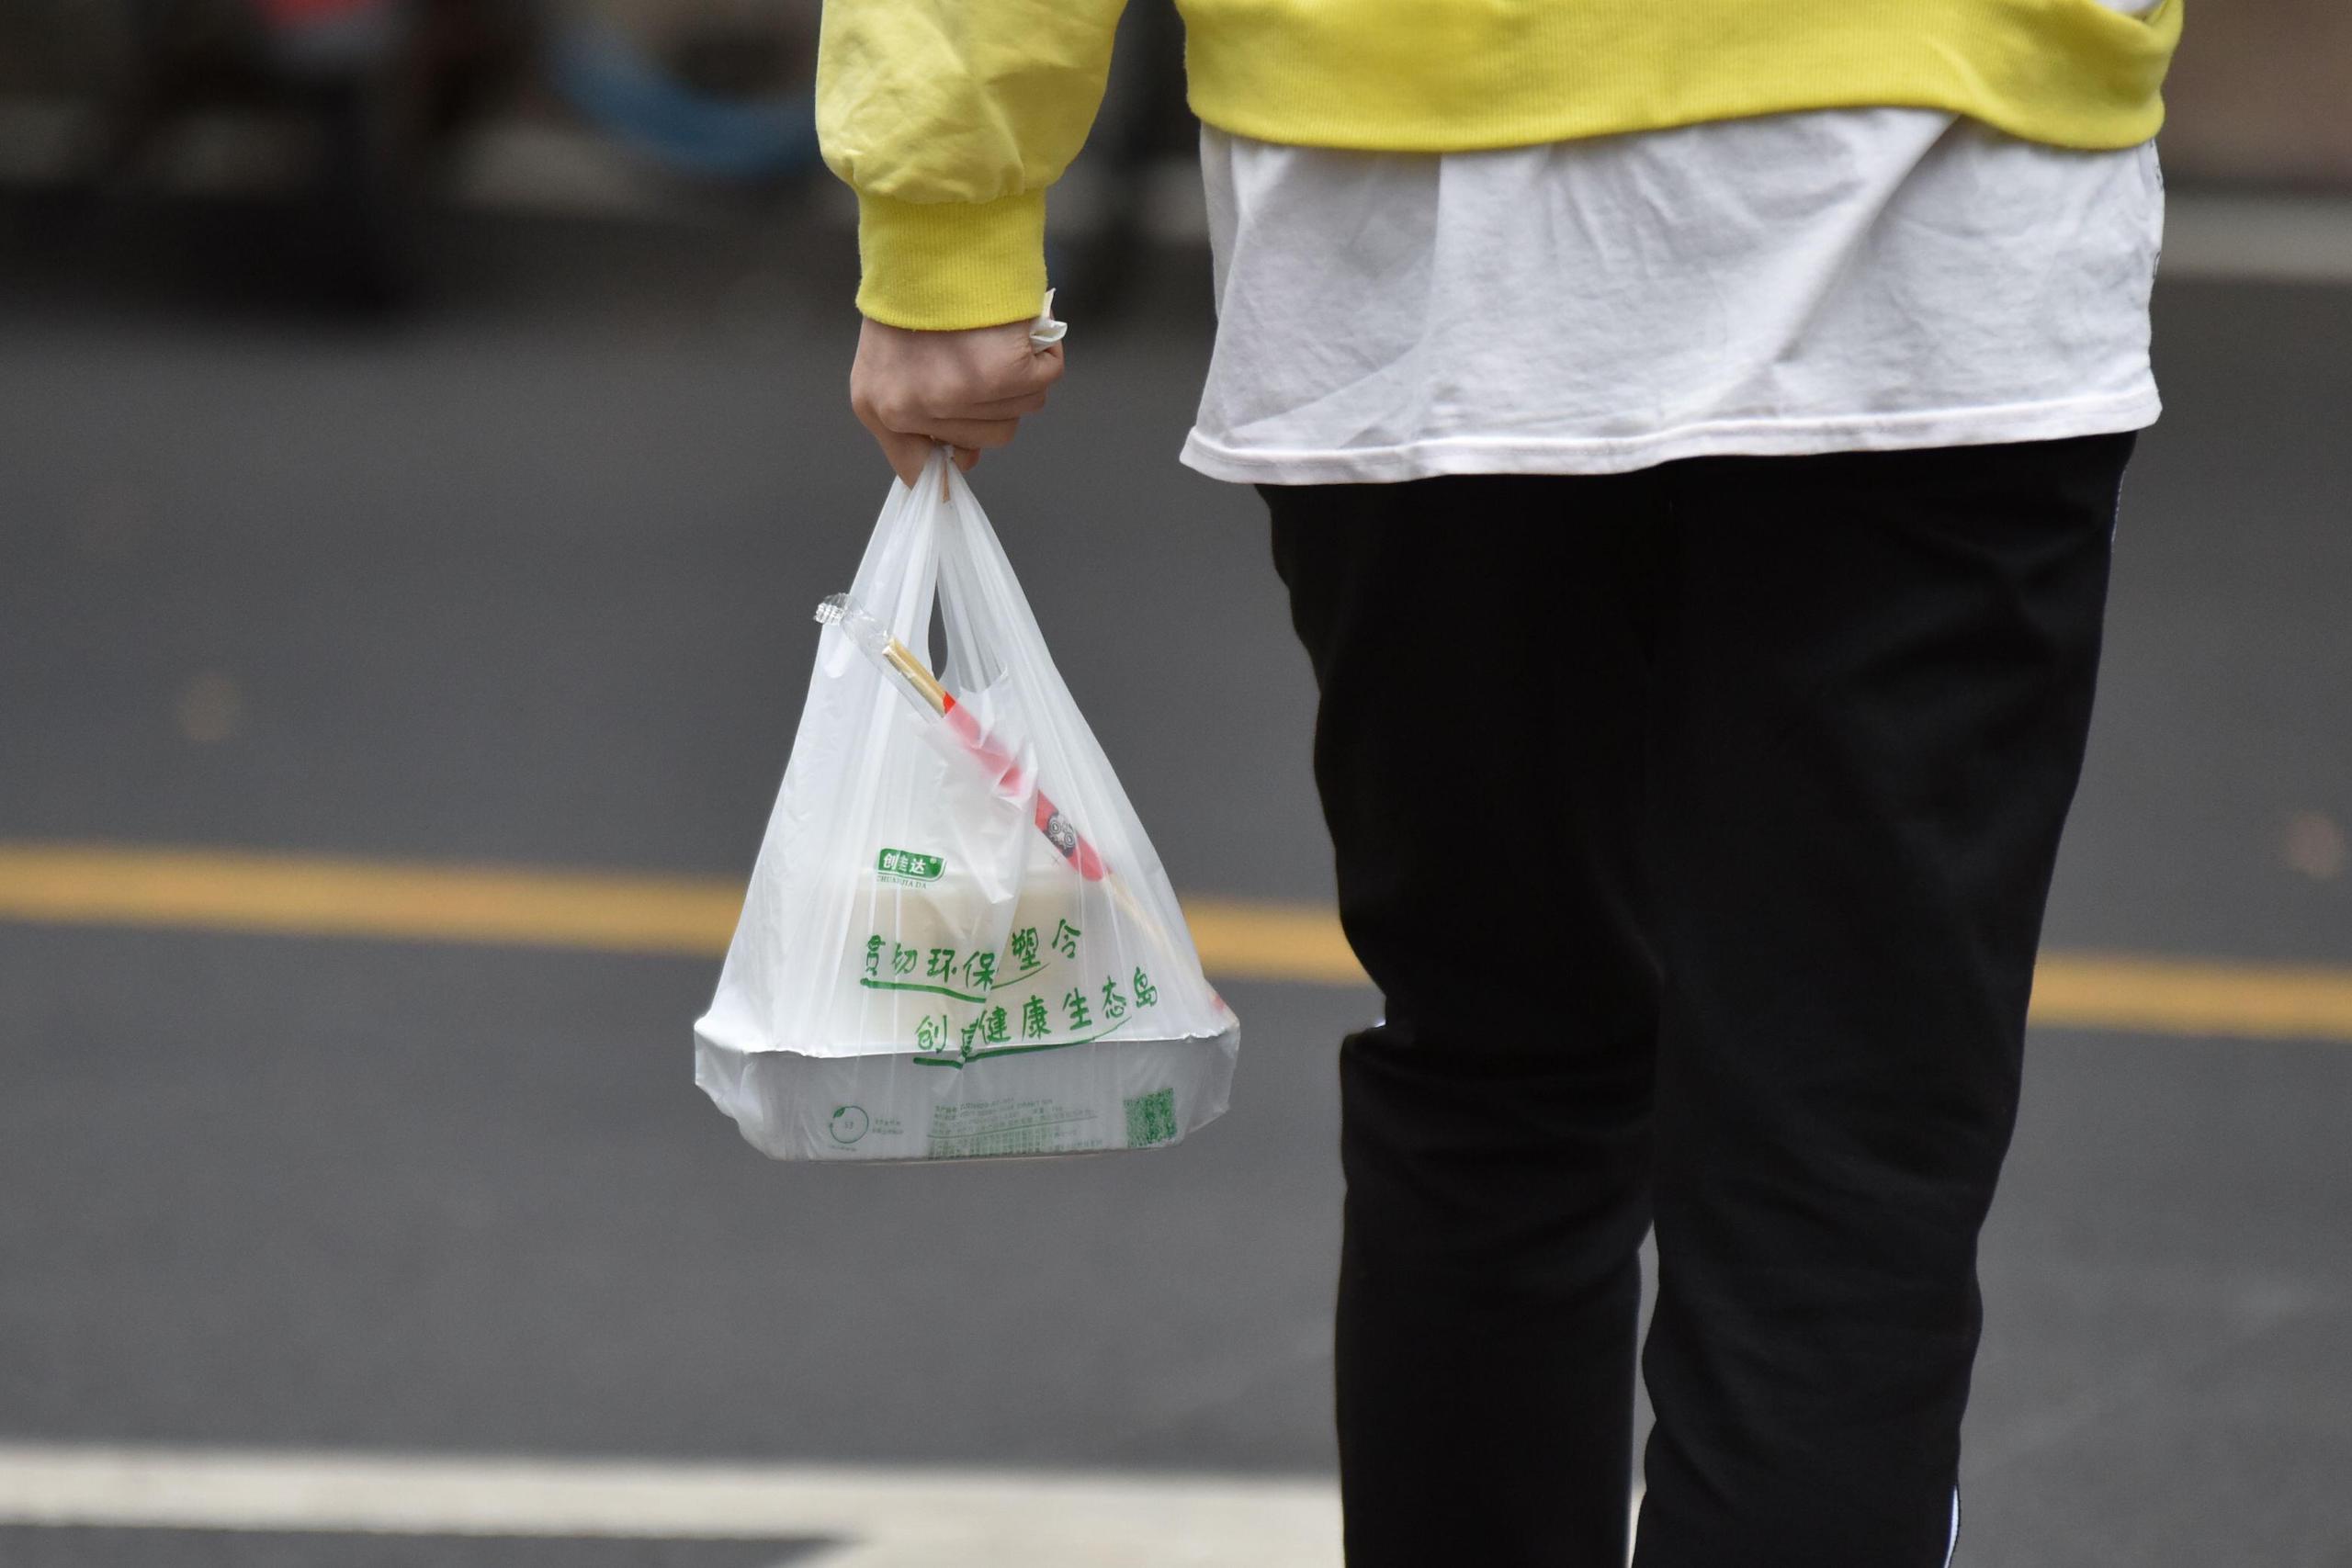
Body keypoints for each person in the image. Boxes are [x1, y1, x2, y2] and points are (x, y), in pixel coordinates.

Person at [821, 0, 2182, 1561]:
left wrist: (946, 200)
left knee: (1500, 1071)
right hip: (1945, 171)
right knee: (1843, 1140)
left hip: (1413, 187)